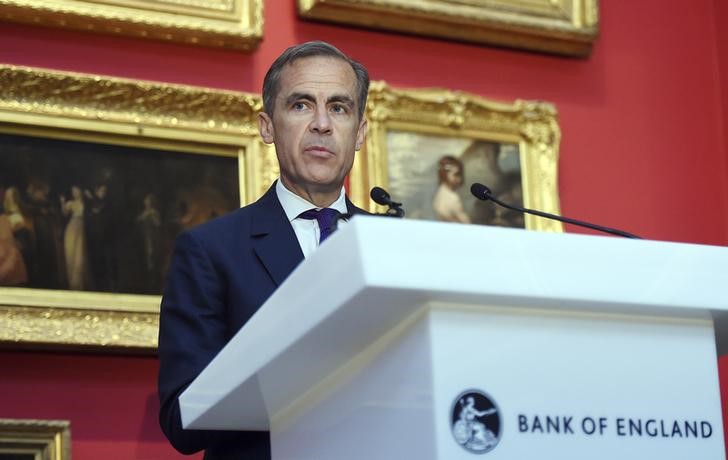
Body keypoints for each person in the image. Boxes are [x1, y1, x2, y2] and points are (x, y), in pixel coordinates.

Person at [157, 41, 370, 460]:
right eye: (301, 106)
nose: (322, 124)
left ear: (360, 132)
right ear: (267, 126)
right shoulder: (210, 251)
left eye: (340, 108)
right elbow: (181, 420)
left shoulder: (396, 242)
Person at [432, 155, 471, 223]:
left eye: (460, 174)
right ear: (444, 174)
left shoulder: (440, 191)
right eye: (456, 174)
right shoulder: (453, 198)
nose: (460, 179)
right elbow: (466, 223)